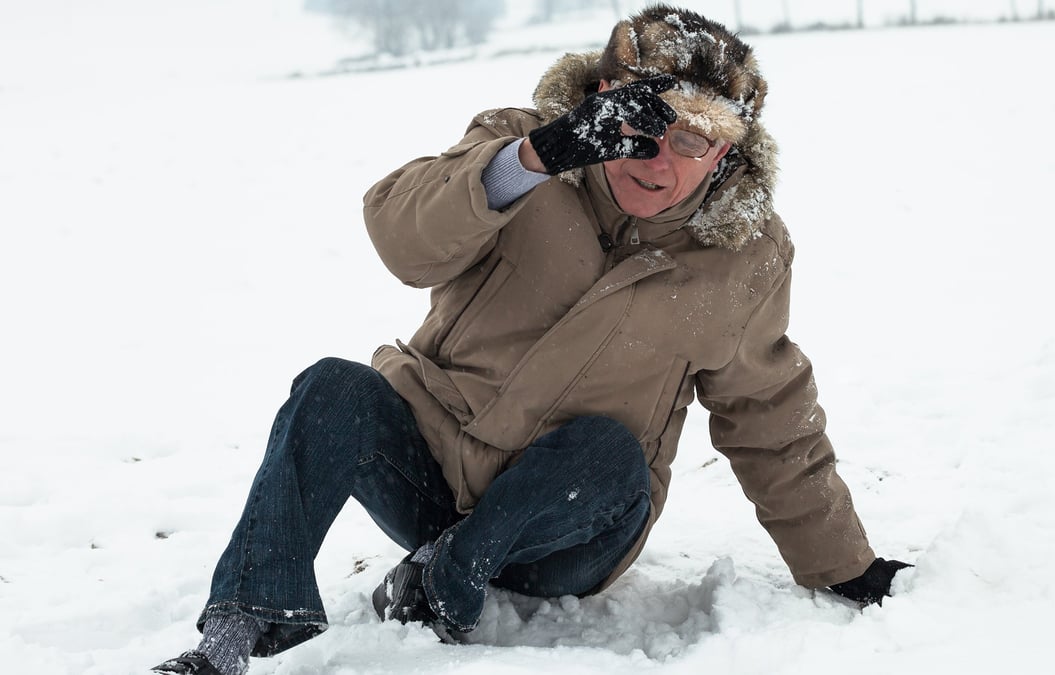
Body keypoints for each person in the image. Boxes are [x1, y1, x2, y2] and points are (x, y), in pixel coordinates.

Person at [152, 5, 911, 674]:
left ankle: (444, 577)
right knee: (329, 389)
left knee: (609, 454)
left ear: (727, 154)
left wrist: (845, 566)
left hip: (570, 526)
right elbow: (398, 236)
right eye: (640, 127)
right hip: (431, 470)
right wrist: (535, 159)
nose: (661, 160)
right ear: (601, 102)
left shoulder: (746, 254)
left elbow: (769, 415)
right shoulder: (516, 149)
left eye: (693, 142)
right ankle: (234, 634)